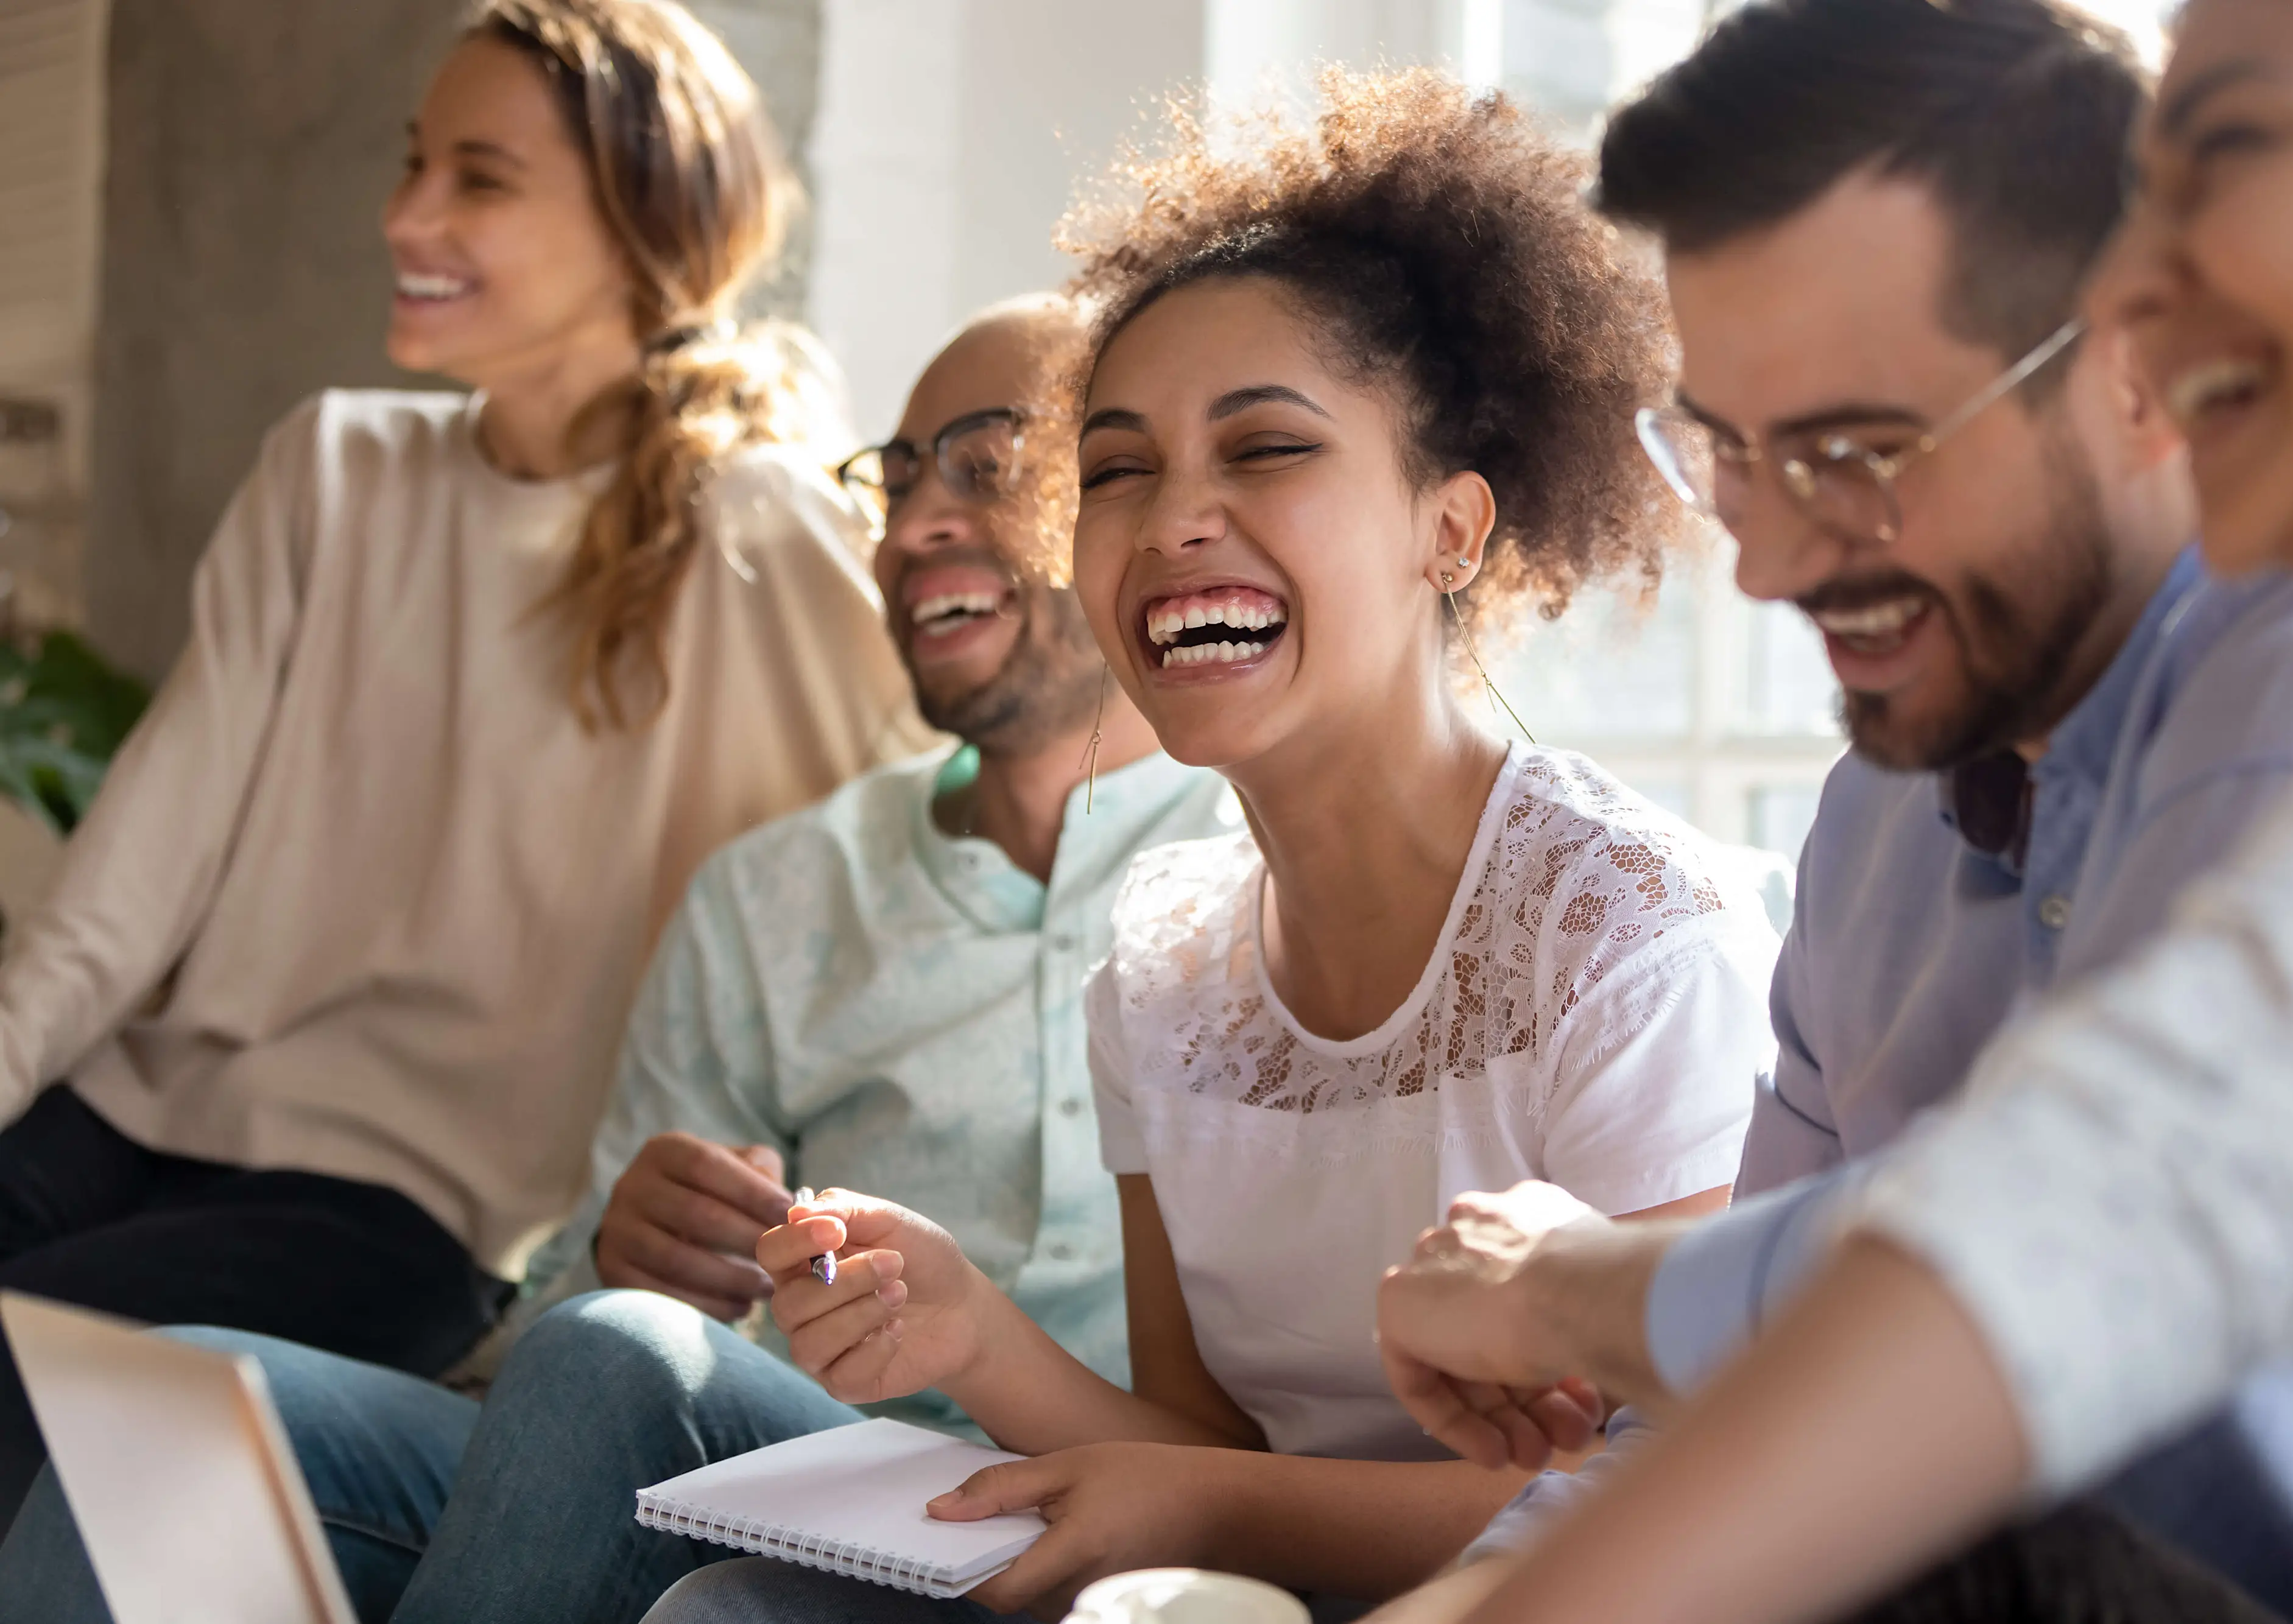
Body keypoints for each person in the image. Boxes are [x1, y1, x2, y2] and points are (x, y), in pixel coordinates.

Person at [644, 66, 1783, 1624]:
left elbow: (1657, 1494)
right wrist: (972, 1336)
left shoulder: (1631, 934)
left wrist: (1189, 1501)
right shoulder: (1168, 964)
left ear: (1450, 527)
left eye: (1262, 449)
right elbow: (1211, 1449)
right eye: (1116, 470)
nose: (1173, 516)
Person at [1369, 0, 2293, 1620]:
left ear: (2125, 382)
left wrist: (1571, 1291)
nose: (1771, 560)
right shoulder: (1877, 821)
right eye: (1725, 451)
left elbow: (2101, 1214)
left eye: (1860, 450)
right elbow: (1729, 1405)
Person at [0, 297, 1242, 1624]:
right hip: (799, 1467)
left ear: (1121, 500)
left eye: (984, 467)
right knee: (171, 1405)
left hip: (1098, 1517)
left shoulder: (1257, 863)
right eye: (894, 474)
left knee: (617, 1362)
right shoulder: (782, 890)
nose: (915, 520)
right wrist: (626, 1257)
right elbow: (571, 1324)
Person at [0, 0, 926, 1525]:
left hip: (414, 1214)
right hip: (130, 1112)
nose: (405, 214)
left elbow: (918, 828)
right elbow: (135, 873)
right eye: (412, 162)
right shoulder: (331, 467)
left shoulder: (754, 531)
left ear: (643, 224)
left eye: (477, 178)